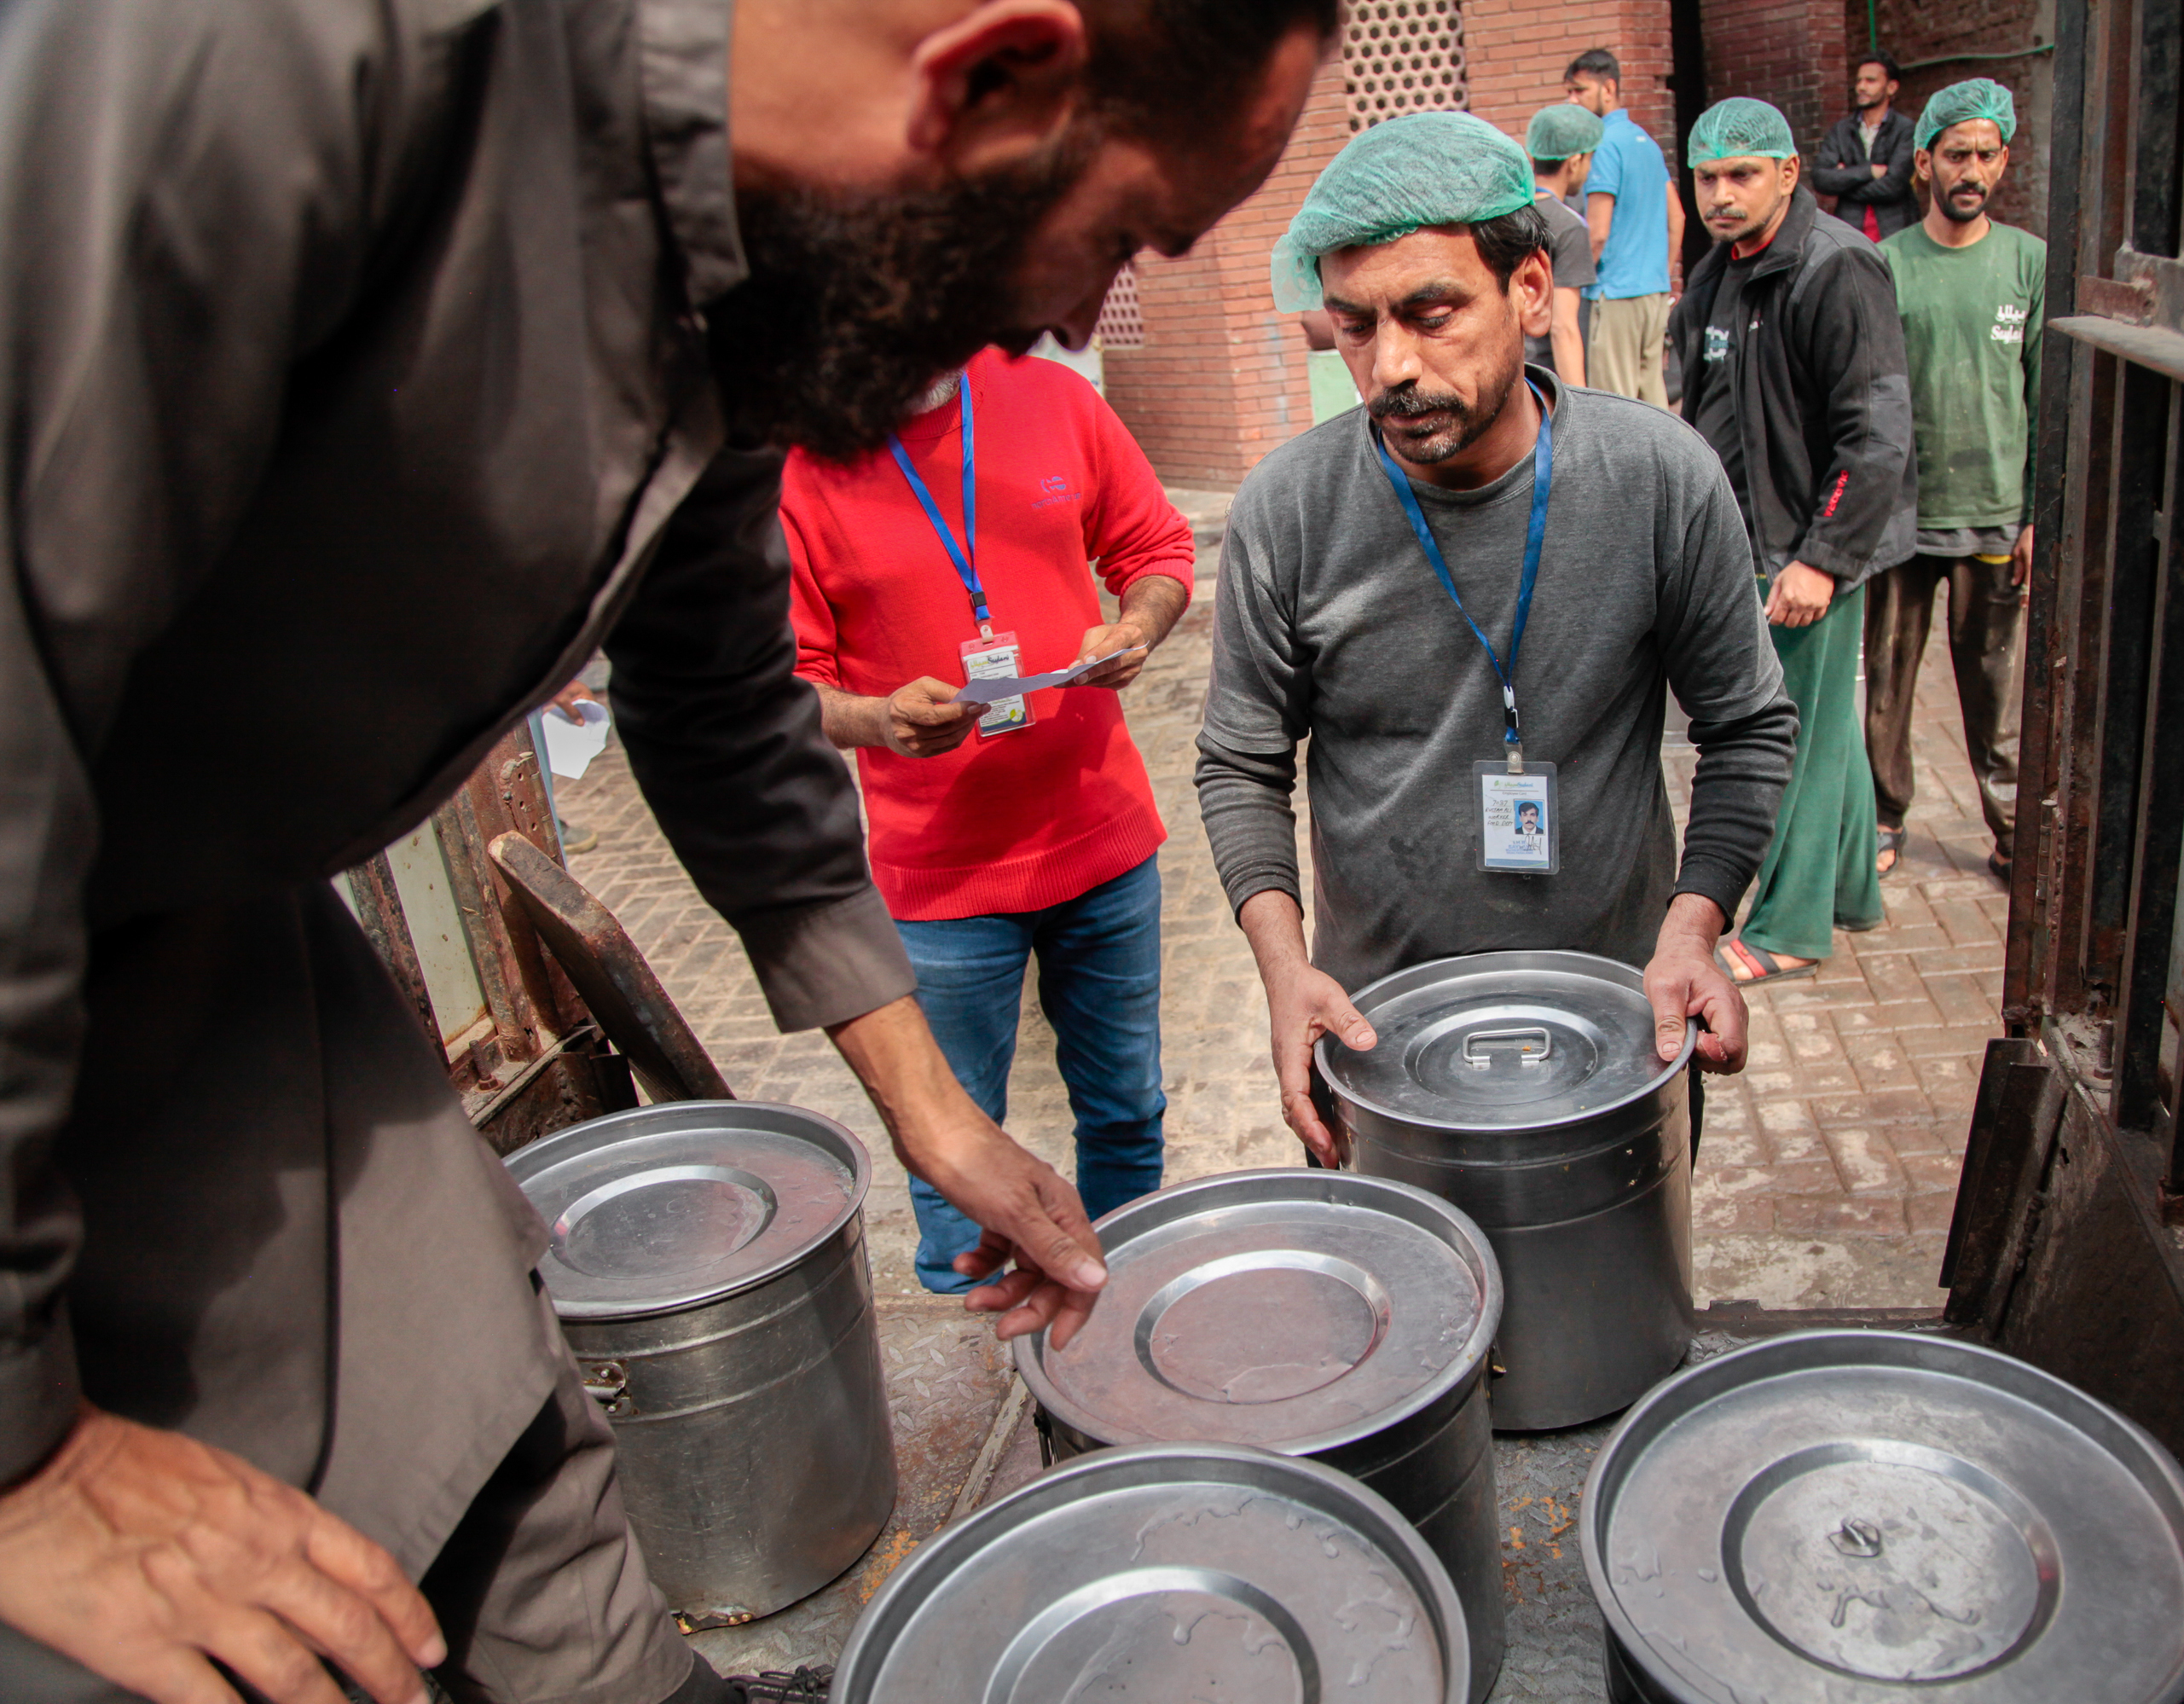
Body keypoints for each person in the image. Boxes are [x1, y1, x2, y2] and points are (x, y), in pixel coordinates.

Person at [0, 1, 1331, 1701]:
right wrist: (28, 1461)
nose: (1077, 315)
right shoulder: (284, 60)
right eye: (1123, 236)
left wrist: (940, 1119)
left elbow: (719, 698)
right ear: (989, 80)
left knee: (525, 1490)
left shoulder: (759, 269)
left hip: (242, 978)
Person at [1208, 111, 1798, 1164]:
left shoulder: (1659, 481)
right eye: (1353, 325)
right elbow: (1241, 762)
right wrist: (1283, 967)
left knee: (1609, 1320)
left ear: (1529, 289)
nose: (1389, 364)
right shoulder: (1287, 510)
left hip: (1623, 1022)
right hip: (1376, 1042)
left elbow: (1748, 727)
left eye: (1431, 313)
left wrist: (1694, 928)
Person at [784, 345, 1194, 1292]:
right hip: (940, 884)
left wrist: (1138, 626)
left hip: (1106, 846)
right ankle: (971, 1320)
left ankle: (1116, 1284)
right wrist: (879, 719)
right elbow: (783, 690)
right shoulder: (798, 467)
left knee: (1128, 1109)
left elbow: (1157, 552)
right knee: (956, 1133)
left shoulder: (1052, 397)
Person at [1668, 98, 1917, 986]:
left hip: (1803, 550)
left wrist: (1822, 557)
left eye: (1742, 175)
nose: (1722, 194)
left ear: (1787, 173)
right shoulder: (1726, 269)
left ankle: (1787, 925)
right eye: (1707, 178)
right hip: (1748, 538)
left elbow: (1877, 434)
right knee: (1827, 727)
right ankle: (1848, 892)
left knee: (1789, 736)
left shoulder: (1835, 268)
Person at [1868, 79, 2044, 887]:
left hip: (1996, 514)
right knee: (1889, 683)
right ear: (1924, 162)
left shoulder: (2028, 263)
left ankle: (2012, 831)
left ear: (2003, 159)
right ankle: (1882, 816)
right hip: (1905, 519)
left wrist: (2039, 514)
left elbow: (2047, 394)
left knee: (1996, 689)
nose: (1970, 169)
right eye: (1955, 154)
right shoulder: (1886, 265)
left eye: (1984, 154)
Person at [1562, 49, 1685, 406]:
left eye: (1579, 91)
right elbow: (1677, 217)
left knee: (1616, 407)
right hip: (1653, 293)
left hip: (1615, 294)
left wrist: (1571, 282)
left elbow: (1597, 233)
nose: (1572, 101)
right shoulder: (1645, 142)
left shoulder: (1602, 145)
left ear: (1609, 88)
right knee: (1656, 405)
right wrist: (1660, 275)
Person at [1522, 103, 1604, 385]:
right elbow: (1563, 327)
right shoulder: (1569, 226)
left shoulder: (1509, 214)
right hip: (1546, 377)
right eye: (1590, 159)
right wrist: (1579, 409)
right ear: (1574, 162)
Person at [1810, 51, 1920, 241]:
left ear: (1891, 87)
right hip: (1850, 233)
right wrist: (1869, 172)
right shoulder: (1841, 130)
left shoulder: (1905, 130)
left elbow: (1894, 186)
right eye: (1859, 80)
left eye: (1870, 81)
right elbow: (1821, 178)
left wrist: (1844, 180)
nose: (1861, 87)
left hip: (1896, 233)